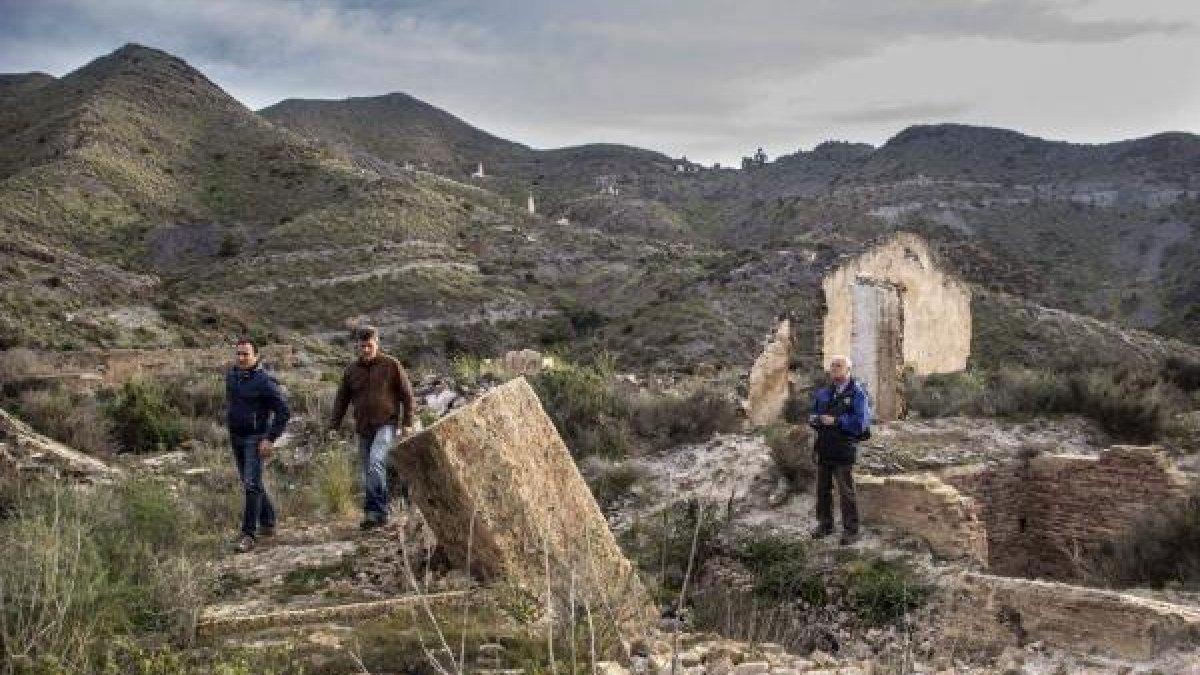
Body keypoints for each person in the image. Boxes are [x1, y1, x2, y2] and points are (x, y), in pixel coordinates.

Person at [329, 326, 416, 530]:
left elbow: (407, 394)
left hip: (386, 423)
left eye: (370, 345)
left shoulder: (391, 364)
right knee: (368, 471)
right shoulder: (351, 371)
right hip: (363, 427)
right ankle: (378, 513)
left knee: (376, 463)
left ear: (377, 343)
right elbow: (341, 399)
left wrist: (408, 423)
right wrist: (334, 425)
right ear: (357, 346)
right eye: (362, 346)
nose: (366, 350)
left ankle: (374, 512)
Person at [225, 338, 291, 553]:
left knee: (251, 484)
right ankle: (269, 522)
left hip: (255, 438)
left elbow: (284, 411)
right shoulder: (232, 376)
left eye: (246, 354)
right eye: (239, 354)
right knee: (251, 481)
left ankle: (248, 534)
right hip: (236, 437)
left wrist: (270, 438)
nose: (242, 358)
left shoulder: (264, 381)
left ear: (256, 356)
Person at [808, 355, 871, 546]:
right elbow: (813, 415)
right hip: (824, 447)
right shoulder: (823, 393)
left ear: (848, 370)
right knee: (822, 490)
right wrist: (815, 420)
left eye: (839, 365)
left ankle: (851, 531)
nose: (834, 368)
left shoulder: (858, 394)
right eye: (832, 365)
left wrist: (837, 421)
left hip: (844, 448)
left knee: (846, 491)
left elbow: (861, 423)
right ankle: (825, 525)